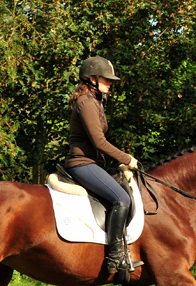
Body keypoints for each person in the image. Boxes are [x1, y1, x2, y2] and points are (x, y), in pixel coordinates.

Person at [65, 56, 139, 274]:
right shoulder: (86, 102)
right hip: (81, 164)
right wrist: (127, 158)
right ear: (91, 79)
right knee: (122, 198)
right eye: (106, 79)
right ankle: (115, 257)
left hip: (92, 164)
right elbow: (99, 142)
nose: (110, 83)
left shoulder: (94, 101)